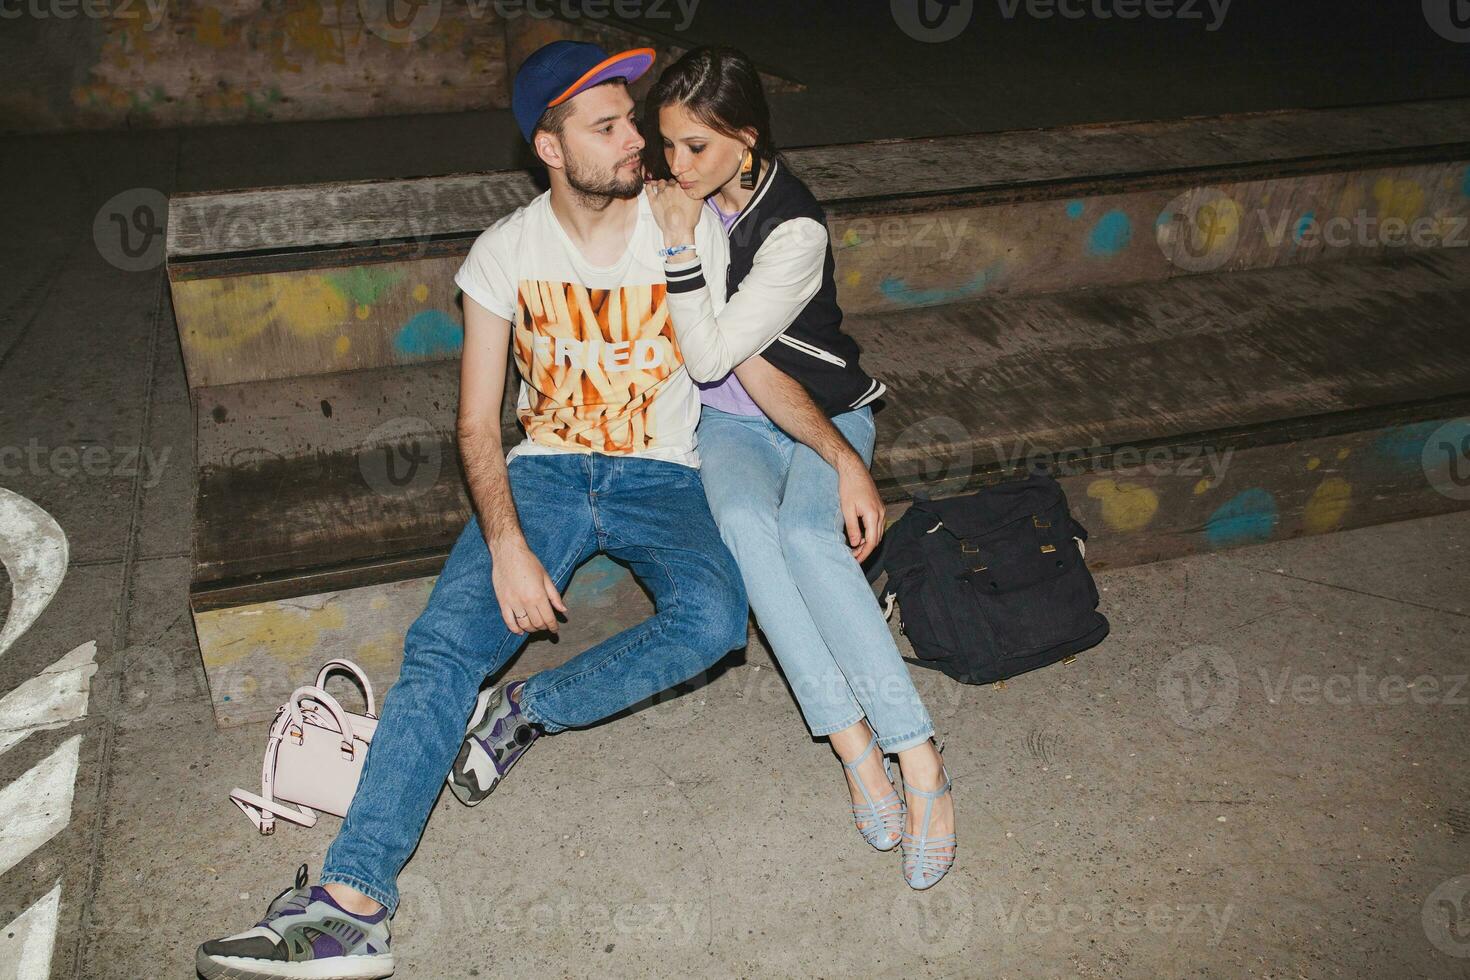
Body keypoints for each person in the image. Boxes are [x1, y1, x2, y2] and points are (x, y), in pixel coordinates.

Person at [195, 42, 878, 980]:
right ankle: (349, 907)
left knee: (716, 620)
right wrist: (509, 544)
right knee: (441, 646)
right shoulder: (503, 255)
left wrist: (840, 453)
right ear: (550, 149)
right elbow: (476, 421)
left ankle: (525, 711)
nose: (637, 139)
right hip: (546, 474)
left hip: (664, 474)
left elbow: (740, 354)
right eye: (609, 128)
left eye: (631, 118)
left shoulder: (687, 225)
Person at [642, 46, 957, 890]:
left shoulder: (795, 230)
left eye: (696, 149)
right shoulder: (689, 195)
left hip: (823, 413)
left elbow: (711, 353)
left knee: (809, 540)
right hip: (733, 429)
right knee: (748, 528)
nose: (677, 167)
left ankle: (919, 760)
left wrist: (847, 460)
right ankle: (854, 749)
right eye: (666, 145)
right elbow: (714, 387)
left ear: (745, 141)